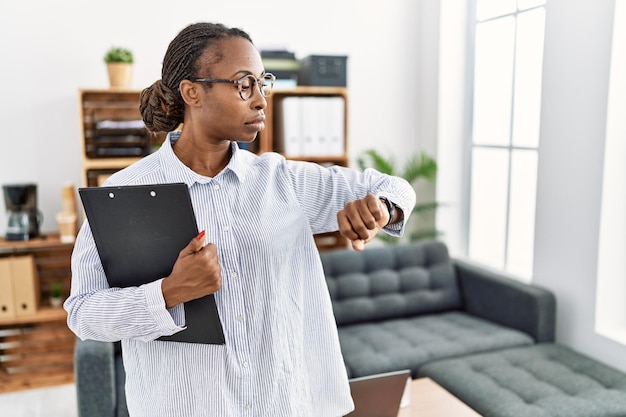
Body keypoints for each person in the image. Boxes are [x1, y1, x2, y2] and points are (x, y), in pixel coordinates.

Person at [65, 22, 416, 417]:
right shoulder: (124, 192)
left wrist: (382, 207)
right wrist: (168, 292)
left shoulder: (285, 180)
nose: (261, 99)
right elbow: (83, 313)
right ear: (192, 92)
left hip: (286, 404)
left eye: (262, 83)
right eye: (243, 84)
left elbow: (395, 186)